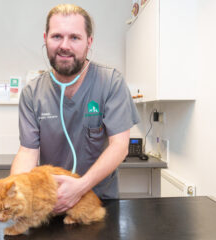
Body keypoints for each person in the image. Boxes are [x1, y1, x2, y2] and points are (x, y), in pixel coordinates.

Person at [10, 4, 139, 213]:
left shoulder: (110, 82)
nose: (65, 45)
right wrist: (15, 190)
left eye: (74, 38)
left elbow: (119, 146)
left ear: (89, 41)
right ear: (45, 38)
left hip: (98, 202)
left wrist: (80, 187)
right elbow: (28, 151)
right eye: (57, 36)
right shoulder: (32, 93)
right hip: (53, 201)